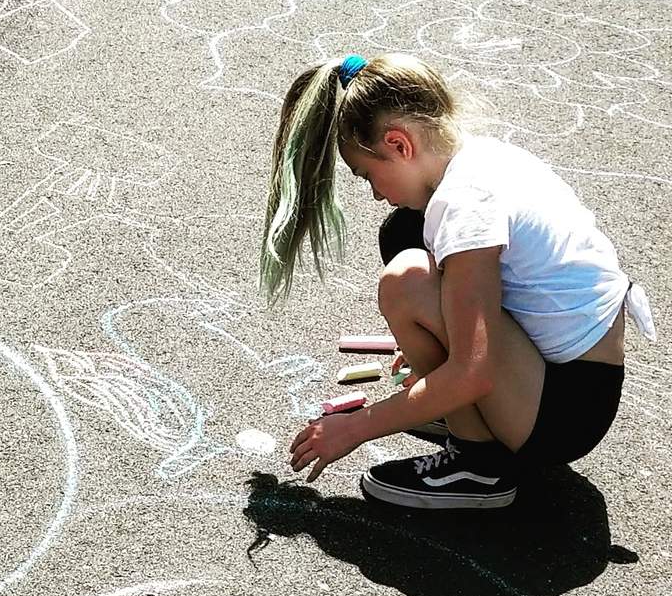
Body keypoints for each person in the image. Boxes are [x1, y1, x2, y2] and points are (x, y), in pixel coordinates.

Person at [262, 52, 655, 510]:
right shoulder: (482, 157)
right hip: (577, 385)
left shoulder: (467, 209)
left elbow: (473, 371)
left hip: (561, 417)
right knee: (404, 231)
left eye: (368, 174)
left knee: (406, 280)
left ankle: (477, 464)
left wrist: (356, 427)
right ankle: (464, 414)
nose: (373, 192)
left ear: (399, 144)